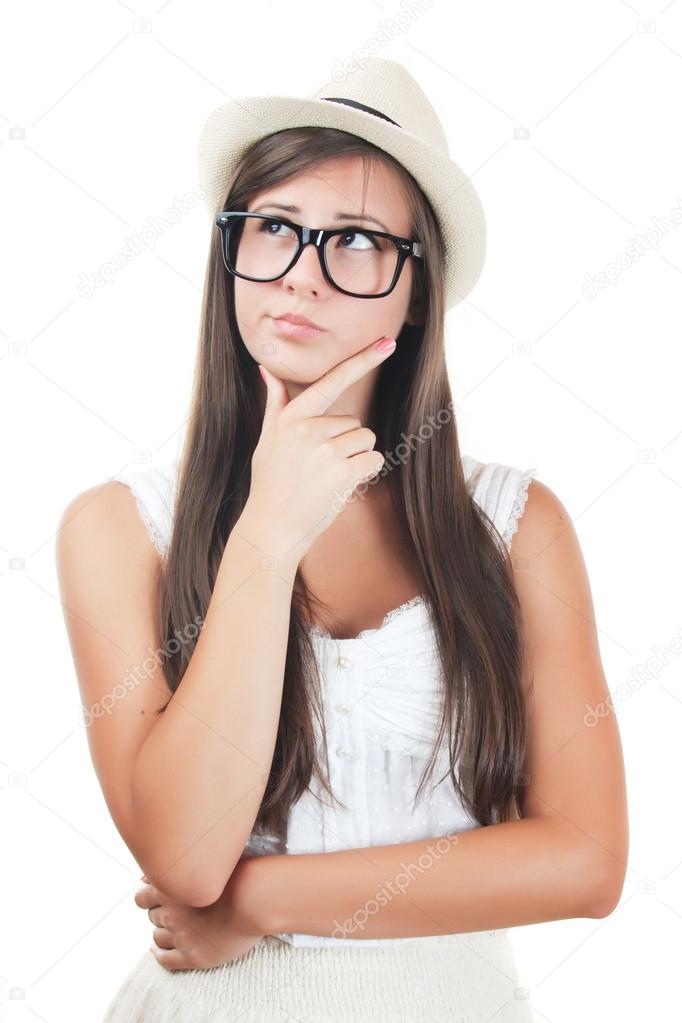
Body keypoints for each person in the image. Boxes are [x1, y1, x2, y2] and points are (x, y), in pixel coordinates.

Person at [56, 57, 628, 1022]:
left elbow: (586, 859)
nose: (302, 277)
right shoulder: (119, 529)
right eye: (274, 228)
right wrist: (267, 536)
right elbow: (186, 855)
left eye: (356, 240)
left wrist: (260, 900)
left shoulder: (517, 527)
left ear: (418, 290)